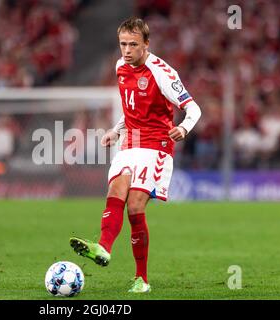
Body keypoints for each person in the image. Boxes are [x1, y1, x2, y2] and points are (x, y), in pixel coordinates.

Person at [69, 17, 202, 293]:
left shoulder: (163, 73)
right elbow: (132, 110)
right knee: (116, 190)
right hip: (131, 141)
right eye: (123, 44)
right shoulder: (120, 67)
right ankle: (103, 248)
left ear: (146, 45)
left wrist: (183, 128)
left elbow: (194, 109)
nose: (126, 50)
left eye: (133, 45)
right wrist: (116, 130)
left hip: (157, 145)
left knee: (135, 206)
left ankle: (142, 279)